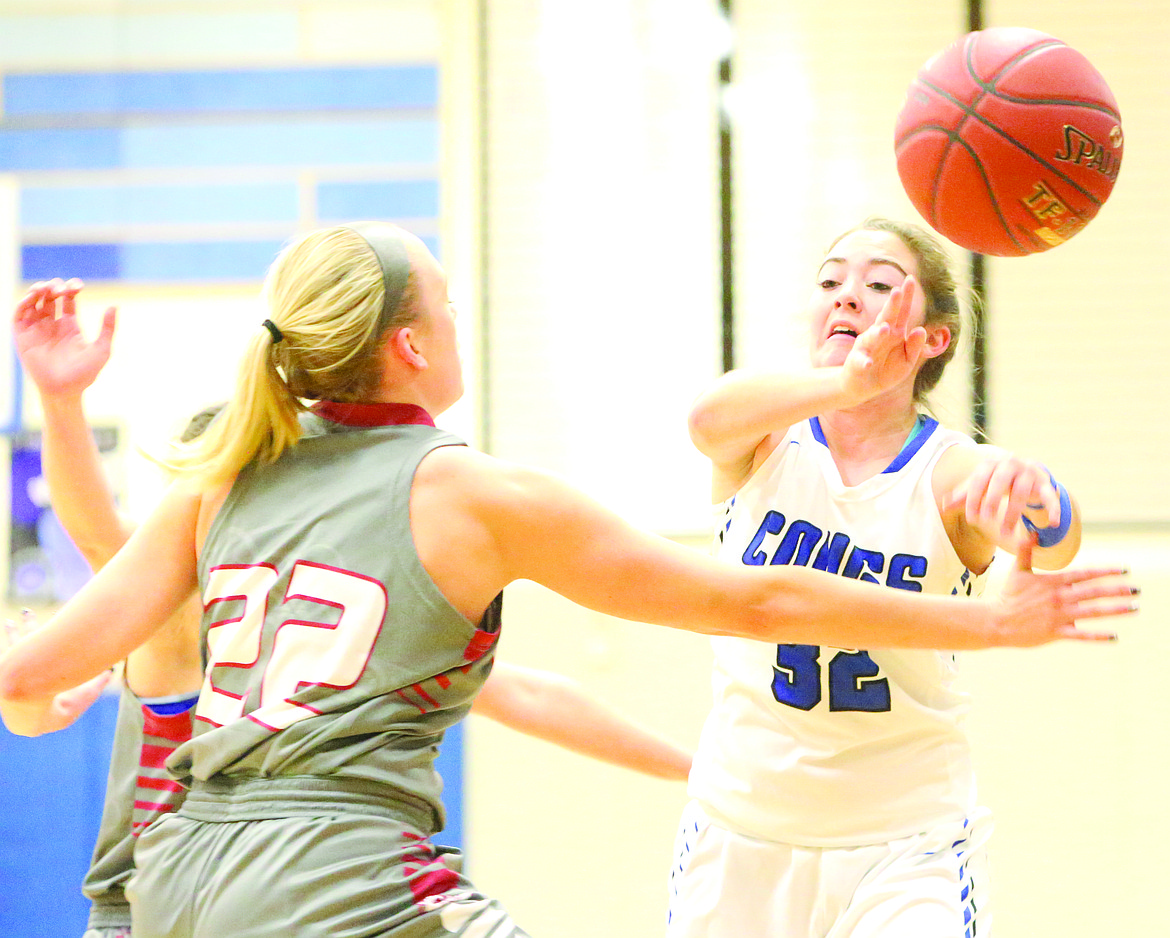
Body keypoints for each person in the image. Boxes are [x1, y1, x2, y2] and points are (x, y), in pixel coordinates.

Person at [0, 222, 1134, 938]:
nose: (458, 316)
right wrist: (993, 625)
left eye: (876, 282)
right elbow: (759, 581)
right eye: (444, 299)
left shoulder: (226, 479)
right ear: (408, 345)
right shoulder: (471, 491)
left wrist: (1038, 510)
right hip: (344, 874)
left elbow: (32, 667)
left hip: (173, 875)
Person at [11, 277, 693, 938]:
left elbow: (530, 695)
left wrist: (696, 771)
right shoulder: (178, 598)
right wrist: (61, 402)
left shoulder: (322, 606)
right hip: (161, 899)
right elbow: (99, 536)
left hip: (250, 890)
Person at [668, 216, 1104, 938]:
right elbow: (706, 421)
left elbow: (1050, 538)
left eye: (878, 286)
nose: (846, 298)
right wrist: (844, 383)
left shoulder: (948, 469)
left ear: (931, 338)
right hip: (740, 830)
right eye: (831, 282)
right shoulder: (767, 435)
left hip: (905, 844)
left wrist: (1040, 504)